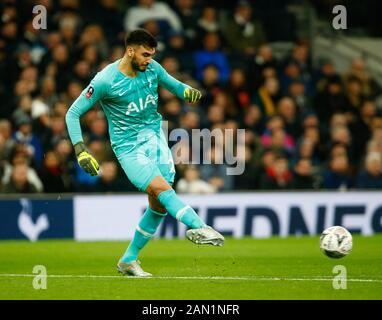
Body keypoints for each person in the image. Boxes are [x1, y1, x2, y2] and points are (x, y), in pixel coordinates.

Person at [65, 29, 224, 277]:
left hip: (155, 138)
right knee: (162, 190)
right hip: (129, 147)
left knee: (159, 205)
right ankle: (199, 226)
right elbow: (72, 113)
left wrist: (188, 92)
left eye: (151, 55)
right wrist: (80, 149)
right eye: (145, 54)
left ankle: (128, 260)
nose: (149, 59)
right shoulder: (105, 80)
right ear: (130, 51)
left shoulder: (151, 68)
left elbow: (174, 84)